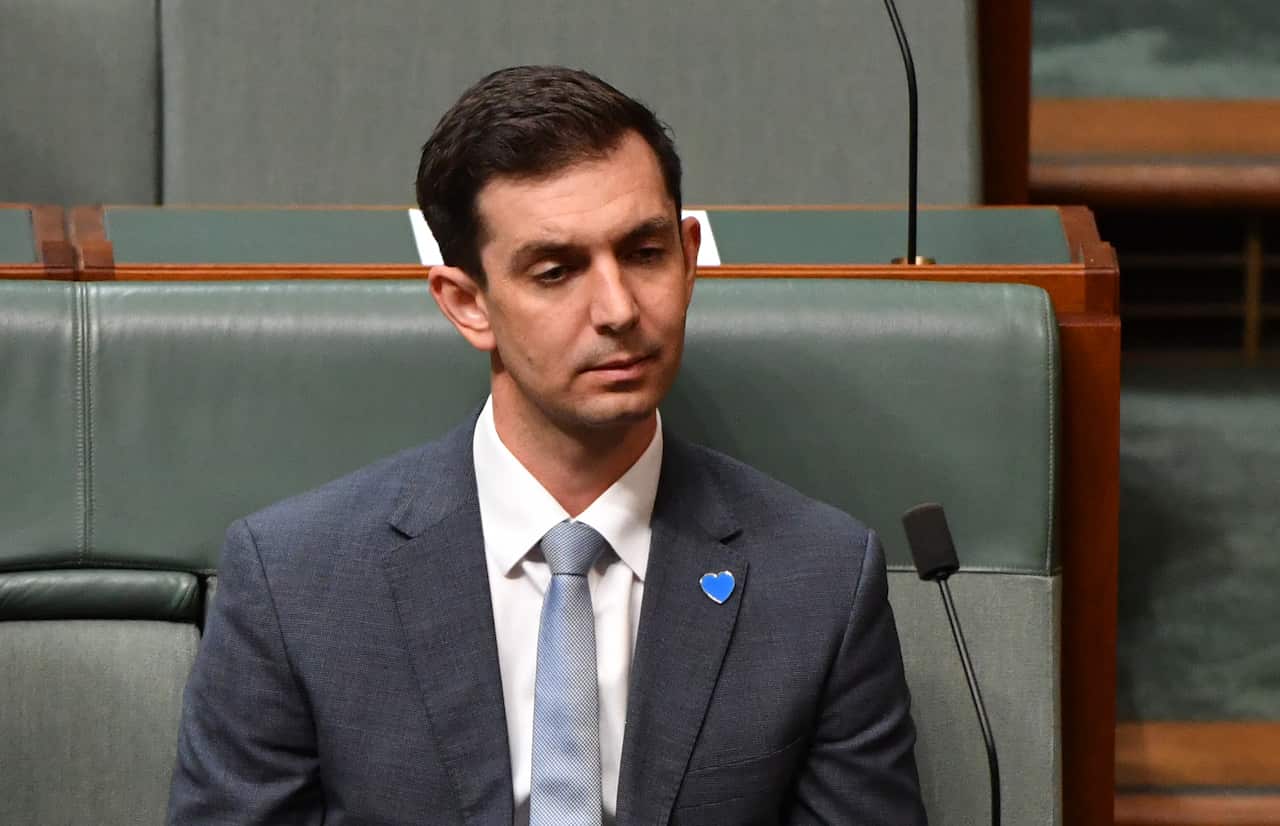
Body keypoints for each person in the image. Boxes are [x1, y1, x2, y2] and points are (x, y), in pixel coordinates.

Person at [167, 65, 926, 826]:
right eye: (557, 271)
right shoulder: (295, 583)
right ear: (468, 305)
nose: (620, 309)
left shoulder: (820, 580)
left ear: (690, 257)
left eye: (645, 253)